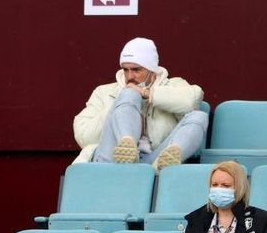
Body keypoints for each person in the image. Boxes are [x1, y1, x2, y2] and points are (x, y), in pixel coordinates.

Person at [73, 37, 208, 171]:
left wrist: (148, 93)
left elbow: (193, 100)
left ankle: (161, 167)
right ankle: (127, 144)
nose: (129, 76)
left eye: (136, 70)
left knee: (199, 116)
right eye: (125, 70)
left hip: (152, 160)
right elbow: (83, 137)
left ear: (152, 71)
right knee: (130, 94)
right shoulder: (104, 92)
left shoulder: (173, 85)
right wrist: (121, 102)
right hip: (109, 159)